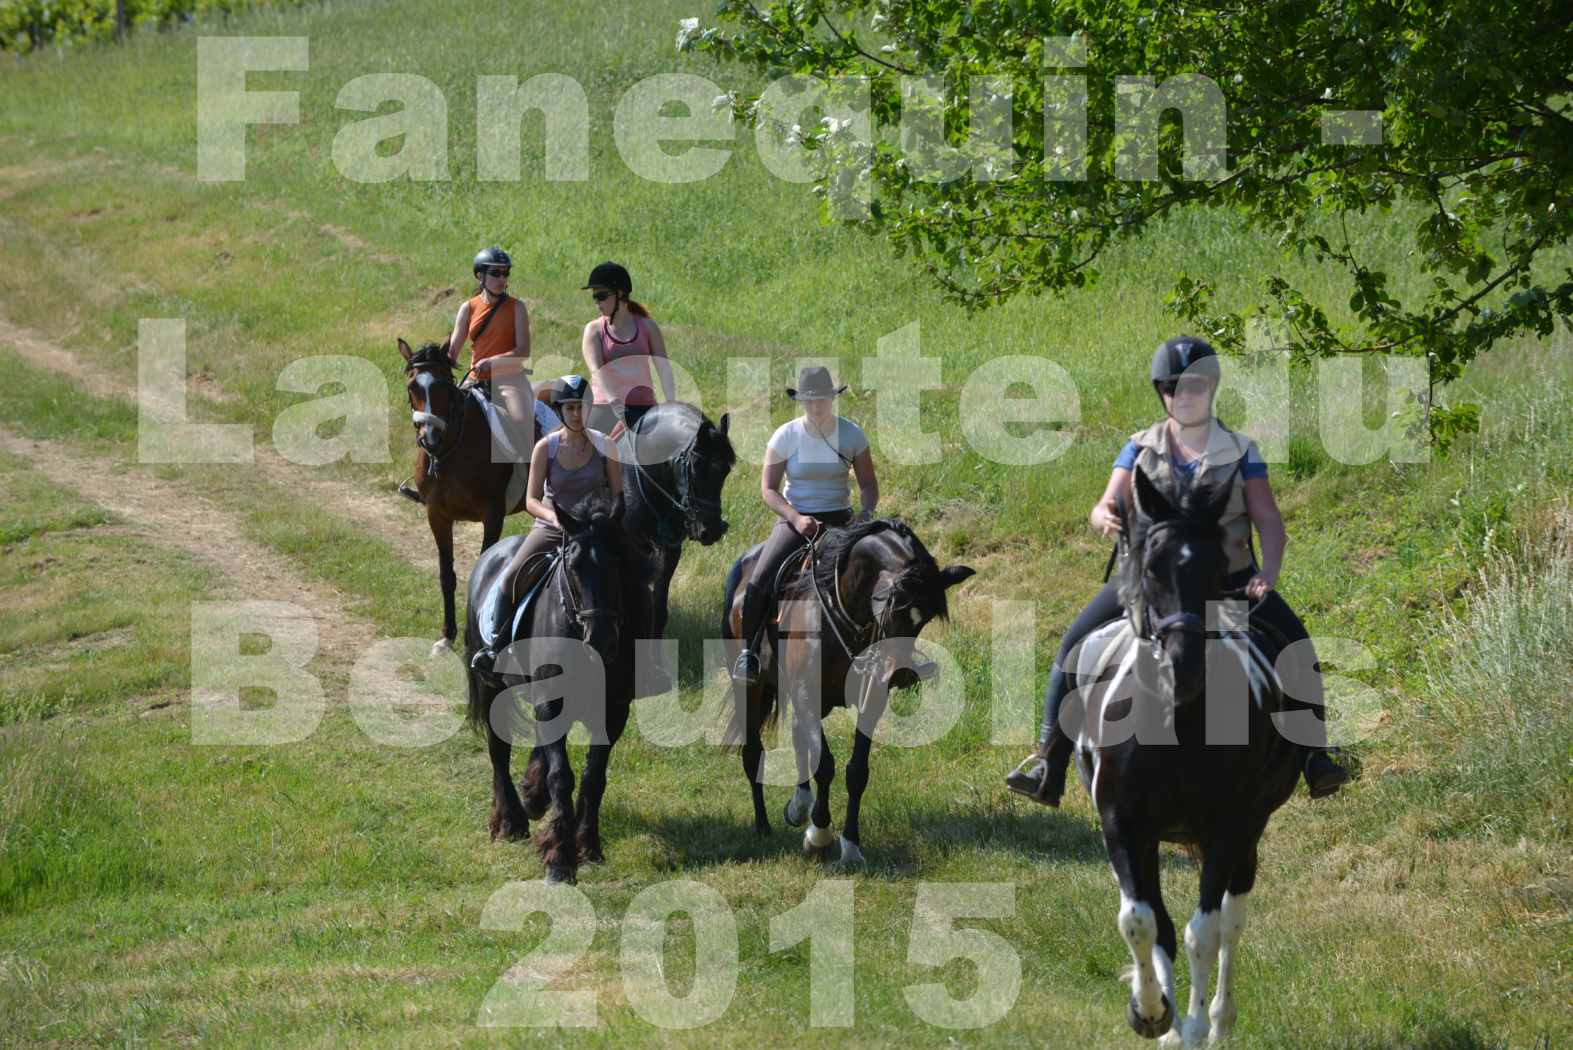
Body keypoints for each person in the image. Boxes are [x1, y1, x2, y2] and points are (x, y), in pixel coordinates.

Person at [1004, 336, 1350, 805]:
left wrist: (1268, 571)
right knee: (1073, 644)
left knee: (1297, 646)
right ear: (1161, 392)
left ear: (1211, 389)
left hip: (1228, 582)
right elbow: (1107, 500)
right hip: (1153, 586)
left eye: (1195, 387)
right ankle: (1049, 760)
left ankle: (1314, 755)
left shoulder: (1239, 450)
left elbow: (1267, 518)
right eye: (1174, 388)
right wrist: (1104, 514)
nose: (1183, 396)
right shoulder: (1139, 447)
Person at [731, 366, 879, 686]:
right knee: (759, 580)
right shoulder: (785, 435)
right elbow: (768, 489)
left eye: (822, 399)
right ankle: (750, 653)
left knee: (881, 574)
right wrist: (796, 518)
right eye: (809, 401)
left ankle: (885, 651)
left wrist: (864, 515)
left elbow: (868, 485)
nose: (816, 406)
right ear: (801, 401)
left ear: (832, 398)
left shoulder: (852, 434)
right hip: (796, 520)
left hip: (842, 520)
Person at [471, 375, 621, 674]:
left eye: (582, 407)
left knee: (636, 577)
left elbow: (617, 495)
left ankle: (647, 656)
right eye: (570, 408)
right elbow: (530, 500)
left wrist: (609, 523)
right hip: (553, 527)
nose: (577, 414)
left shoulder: (606, 446)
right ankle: (495, 649)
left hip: (595, 531)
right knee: (511, 575)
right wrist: (554, 517)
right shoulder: (545, 448)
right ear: (560, 411)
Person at [399, 247, 532, 503]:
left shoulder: (517, 307)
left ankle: (530, 487)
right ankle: (428, 483)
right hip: (475, 381)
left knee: (519, 419)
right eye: (495, 273)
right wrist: (430, 367)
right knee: (438, 417)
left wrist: (493, 361)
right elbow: (453, 352)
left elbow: (523, 351)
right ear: (479, 276)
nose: (502, 279)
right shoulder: (468, 308)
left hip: (510, 382)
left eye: (505, 273)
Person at [579, 262, 675, 436]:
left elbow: (664, 369)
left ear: (620, 294)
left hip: (644, 408)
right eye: (595, 297)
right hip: (606, 409)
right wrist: (617, 406)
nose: (597, 302)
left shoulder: (648, 327)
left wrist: (671, 404)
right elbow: (597, 372)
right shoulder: (593, 330)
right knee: (590, 451)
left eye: (601, 296)